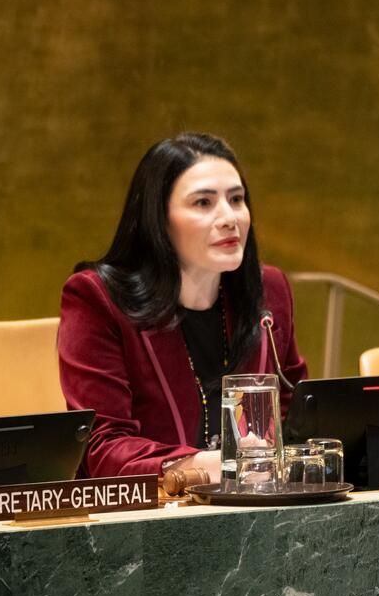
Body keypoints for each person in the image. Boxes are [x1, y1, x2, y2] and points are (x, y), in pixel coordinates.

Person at [58, 132, 307, 480]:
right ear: (158, 220)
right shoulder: (99, 299)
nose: (229, 217)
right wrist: (211, 466)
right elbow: (103, 447)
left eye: (236, 199)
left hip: (254, 511)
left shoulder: (269, 291)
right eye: (203, 203)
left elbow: (295, 413)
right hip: (149, 519)